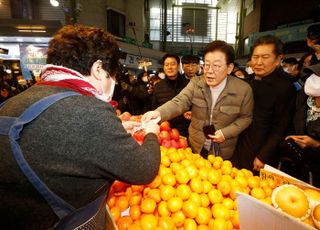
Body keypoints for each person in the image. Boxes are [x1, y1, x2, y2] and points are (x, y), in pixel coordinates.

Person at [0, 25, 160, 229]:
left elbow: (55, 134)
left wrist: (114, 127)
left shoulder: (14, 101)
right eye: (113, 75)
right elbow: (144, 169)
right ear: (98, 69)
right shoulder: (90, 110)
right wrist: (151, 134)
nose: (115, 84)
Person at [143, 40, 254, 160]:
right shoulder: (196, 83)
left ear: (229, 68)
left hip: (224, 150)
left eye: (216, 66)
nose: (209, 71)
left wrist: (225, 133)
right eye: (206, 65)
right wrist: (159, 113)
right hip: (197, 146)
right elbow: (180, 101)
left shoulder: (243, 90)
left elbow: (246, 117)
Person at [232, 35, 296, 172]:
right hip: (238, 145)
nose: (259, 62)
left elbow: (281, 126)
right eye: (255, 57)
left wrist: (263, 155)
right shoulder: (248, 82)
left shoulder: (284, 87)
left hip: (259, 151)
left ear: (278, 59)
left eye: (265, 57)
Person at [284, 63, 320, 187]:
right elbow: (291, 118)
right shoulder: (304, 97)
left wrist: (316, 144)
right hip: (297, 166)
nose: (313, 80)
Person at [152, 53, 191, 137]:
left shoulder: (189, 85)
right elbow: (154, 108)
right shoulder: (158, 86)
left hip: (186, 131)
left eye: (173, 64)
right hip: (166, 132)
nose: (170, 67)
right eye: (167, 65)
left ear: (178, 66)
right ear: (164, 67)